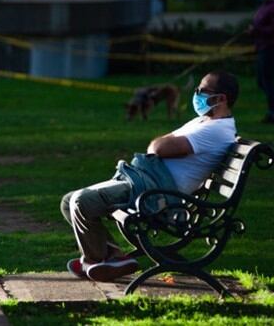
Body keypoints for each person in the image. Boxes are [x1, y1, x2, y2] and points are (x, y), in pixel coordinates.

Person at [61, 71, 239, 282]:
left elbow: (158, 147)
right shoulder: (203, 123)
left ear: (221, 98)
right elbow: (165, 144)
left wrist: (162, 142)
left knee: (81, 201)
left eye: (202, 90)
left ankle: (95, 259)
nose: (196, 94)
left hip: (156, 194)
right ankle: (112, 258)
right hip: (146, 182)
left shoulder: (216, 130)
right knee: (68, 201)